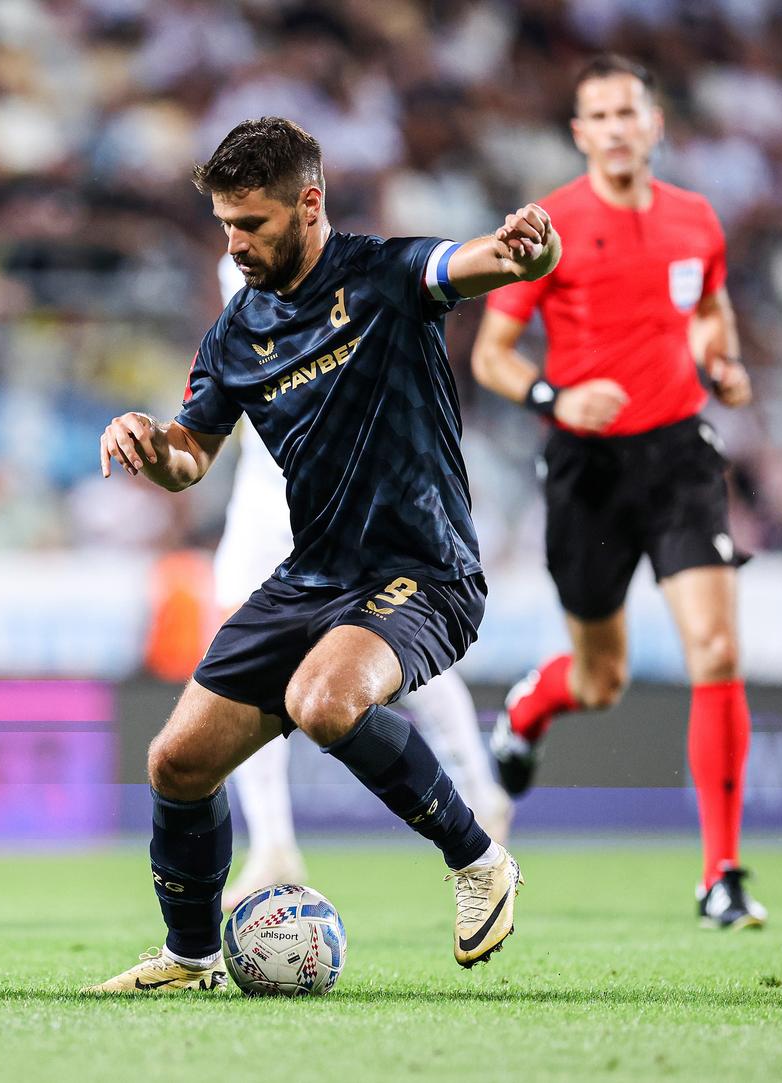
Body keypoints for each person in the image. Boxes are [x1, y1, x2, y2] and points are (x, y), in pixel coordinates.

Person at [88, 116, 559, 993]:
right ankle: (192, 957)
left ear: (310, 204)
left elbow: (483, 262)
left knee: (324, 700)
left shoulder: (384, 275)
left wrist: (528, 251)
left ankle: (479, 859)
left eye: (252, 224)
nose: (235, 244)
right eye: (225, 224)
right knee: (177, 763)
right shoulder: (239, 328)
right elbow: (192, 456)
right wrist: (152, 446)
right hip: (314, 576)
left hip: (424, 572)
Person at [473, 55, 765, 930]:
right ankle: (530, 707)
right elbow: (491, 355)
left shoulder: (696, 220)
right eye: (597, 115)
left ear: (655, 122)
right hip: (587, 466)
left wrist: (724, 358)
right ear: (579, 134)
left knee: (716, 649)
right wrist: (554, 398)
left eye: (627, 112)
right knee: (602, 679)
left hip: (678, 454)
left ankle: (721, 874)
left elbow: (710, 309)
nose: (615, 128)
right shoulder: (551, 224)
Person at [210, 254, 512, 909]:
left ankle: (477, 791)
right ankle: (271, 844)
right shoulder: (243, 277)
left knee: (390, 659)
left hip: (343, 503)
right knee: (240, 662)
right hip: (263, 503)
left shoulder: (352, 278)